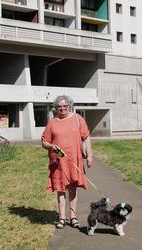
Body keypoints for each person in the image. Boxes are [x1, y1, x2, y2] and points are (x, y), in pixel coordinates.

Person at [41, 95, 93, 229]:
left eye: (65, 106)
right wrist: (52, 146)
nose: (62, 109)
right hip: (58, 162)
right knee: (61, 189)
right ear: (56, 108)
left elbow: (86, 137)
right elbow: (44, 142)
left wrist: (90, 155)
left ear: (69, 106)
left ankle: (73, 217)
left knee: (73, 189)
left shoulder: (78, 119)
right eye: (59, 107)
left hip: (74, 160)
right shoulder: (52, 122)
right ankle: (62, 218)